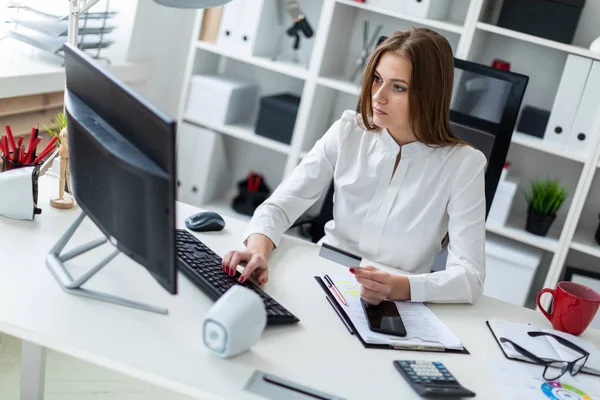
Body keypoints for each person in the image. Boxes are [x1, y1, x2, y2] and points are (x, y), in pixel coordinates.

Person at [222, 28, 486, 305]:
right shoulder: (348, 131)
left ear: (429, 94)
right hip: (322, 279)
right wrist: (258, 249)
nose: (378, 96)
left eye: (398, 87)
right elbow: (279, 206)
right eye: (377, 79)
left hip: (397, 303)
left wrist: (400, 287)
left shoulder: (463, 165)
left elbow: (470, 277)